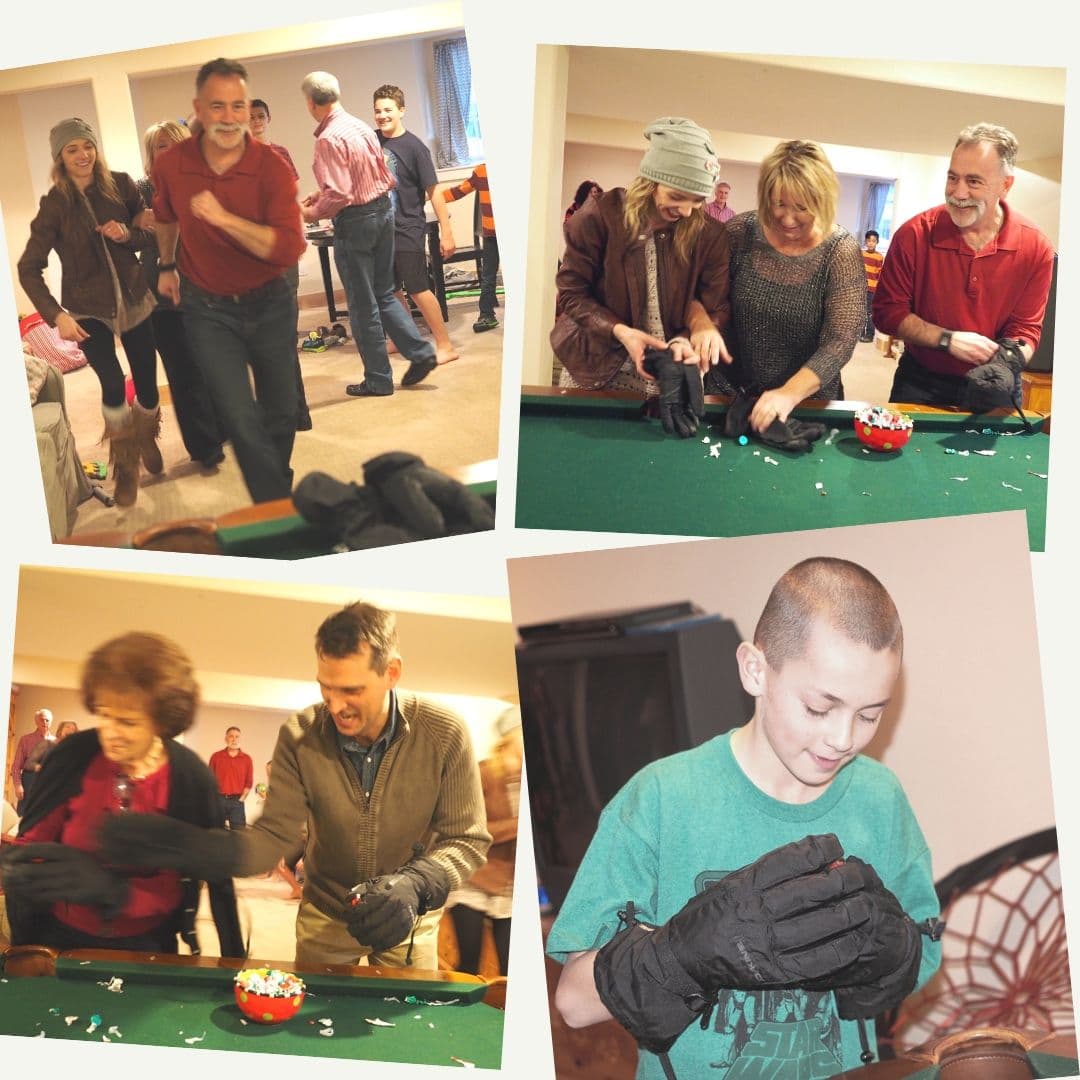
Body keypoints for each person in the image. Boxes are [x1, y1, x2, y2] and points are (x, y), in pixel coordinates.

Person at [548, 557, 942, 1079]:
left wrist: (892, 949)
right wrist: (685, 952)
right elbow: (573, 1004)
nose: (844, 738)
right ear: (755, 670)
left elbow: (926, 956)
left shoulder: (881, 797)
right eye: (820, 708)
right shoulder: (661, 798)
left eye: (870, 714)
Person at [100, 600, 491, 970]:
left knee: (411, 1030)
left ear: (391, 672)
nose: (335, 706)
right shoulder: (300, 735)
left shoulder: (445, 732)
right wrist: (192, 846)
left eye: (352, 690)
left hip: (408, 921)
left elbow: (468, 838)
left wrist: (419, 882)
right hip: (325, 918)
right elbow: (274, 835)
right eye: (326, 687)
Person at [0, 634, 242, 956]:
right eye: (104, 714)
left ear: (162, 722)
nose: (111, 733)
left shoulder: (190, 777)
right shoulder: (73, 755)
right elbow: (32, 849)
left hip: (149, 942)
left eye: (128, 722)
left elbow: (217, 879)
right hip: (59, 937)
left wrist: (234, 964)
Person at [151, 57, 307, 504]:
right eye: (217, 107)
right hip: (207, 307)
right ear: (198, 109)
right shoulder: (172, 165)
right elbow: (164, 216)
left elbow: (287, 247)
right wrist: (166, 265)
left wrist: (225, 219)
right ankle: (276, 507)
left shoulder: (271, 166)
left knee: (279, 413)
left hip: (270, 301)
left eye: (238, 106)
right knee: (239, 415)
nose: (230, 117)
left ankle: (274, 496)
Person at [18, 118, 163, 507]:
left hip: (134, 299)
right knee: (113, 383)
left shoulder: (121, 184)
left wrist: (128, 235)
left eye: (87, 146)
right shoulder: (55, 204)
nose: (83, 155)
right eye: (72, 149)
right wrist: (56, 316)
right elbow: (28, 268)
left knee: (147, 387)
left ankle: (146, 432)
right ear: (60, 158)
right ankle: (126, 467)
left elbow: (151, 232)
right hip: (86, 311)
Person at [552, 117, 731, 426]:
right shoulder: (599, 216)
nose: (687, 211)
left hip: (669, 371)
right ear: (650, 181)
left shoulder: (711, 234)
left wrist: (689, 338)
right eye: (676, 196)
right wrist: (623, 333)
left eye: (698, 200)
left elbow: (714, 304)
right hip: (598, 365)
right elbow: (571, 294)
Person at [873, 123, 1055, 408]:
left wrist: (1007, 364)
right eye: (952, 178)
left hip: (996, 384)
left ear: (1005, 186)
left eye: (973, 181)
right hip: (921, 382)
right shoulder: (913, 235)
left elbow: (1025, 329)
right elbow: (886, 313)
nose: (958, 193)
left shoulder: (1036, 247)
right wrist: (947, 340)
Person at [705, 140, 864, 435]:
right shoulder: (739, 233)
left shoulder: (840, 251)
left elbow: (840, 341)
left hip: (806, 402)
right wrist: (701, 326)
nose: (787, 219)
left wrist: (788, 393)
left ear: (822, 201)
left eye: (802, 208)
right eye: (778, 204)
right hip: (731, 394)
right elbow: (705, 297)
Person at [299, 71, 438, 397]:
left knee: (363, 305)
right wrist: (324, 196)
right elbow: (372, 176)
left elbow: (342, 193)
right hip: (383, 214)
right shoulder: (360, 126)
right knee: (384, 292)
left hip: (356, 222)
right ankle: (421, 353)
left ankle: (378, 379)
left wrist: (311, 211)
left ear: (310, 102)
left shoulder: (328, 138)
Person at [137, 120, 225, 468]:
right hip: (163, 293)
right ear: (151, 154)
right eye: (161, 146)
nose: (170, 151)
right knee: (184, 370)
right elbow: (137, 234)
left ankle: (221, 429)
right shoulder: (143, 190)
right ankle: (205, 447)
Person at [373, 84, 458, 365]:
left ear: (401, 110)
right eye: (377, 110)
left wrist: (447, 233)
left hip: (408, 227)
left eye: (388, 110)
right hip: (380, 230)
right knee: (391, 288)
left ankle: (445, 345)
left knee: (418, 287)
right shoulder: (372, 141)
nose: (382, 115)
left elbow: (434, 191)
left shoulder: (415, 148)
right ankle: (403, 337)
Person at [248, 98, 312, 431]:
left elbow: (293, 198)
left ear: (268, 118)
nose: (256, 121)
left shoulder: (281, 153)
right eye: (250, 117)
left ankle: (297, 412)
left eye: (261, 115)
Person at [447, 712, 522, 975]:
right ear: (512, 736)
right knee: (469, 963)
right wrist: (517, 826)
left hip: (511, 888)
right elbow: (470, 828)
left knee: (510, 971)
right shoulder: (484, 772)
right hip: (475, 880)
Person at [443, 162, 501, 333]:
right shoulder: (482, 170)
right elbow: (460, 191)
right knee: (488, 275)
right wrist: (433, 195)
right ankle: (486, 315)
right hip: (492, 235)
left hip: (519, 232)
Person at [208, 726, 253, 829]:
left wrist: (241, 799)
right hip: (218, 800)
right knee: (215, 832)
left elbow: (249, 782)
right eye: (231, 736)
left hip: (237, 801)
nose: (234, 739)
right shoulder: (216, 756)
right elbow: (209, 779)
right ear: (226, 739)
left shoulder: (247, 759)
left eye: (237, 737)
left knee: (239, 835)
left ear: (240, 739)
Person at [10, 709, 53, 814]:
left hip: (48, 782)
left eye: (47, 720)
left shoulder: (55, 741)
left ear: (51, 722)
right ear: (36, 722)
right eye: (42, 720)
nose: (45, 723)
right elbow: (16, 766)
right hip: (28, 782)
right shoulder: (26, 740)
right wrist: (18, 785)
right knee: (24, 817)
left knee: (45, 816)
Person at [22, 721, 78, 785]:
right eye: (67, 727)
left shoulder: (69, 751)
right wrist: (42, 768)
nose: (70, 730)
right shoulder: (46, 744)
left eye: (73, 729)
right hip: (37, 783)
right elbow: (28, 764)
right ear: (60, 730)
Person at [860, 229, 884, 342]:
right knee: (860, 311)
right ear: (865, 241)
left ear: (877, 242)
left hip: (872, 289)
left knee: (870, 312)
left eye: (873, 241)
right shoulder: (861, 254)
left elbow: (880, 274)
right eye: (869, 241)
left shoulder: (879, 257)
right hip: (861, 288)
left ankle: (869, 334)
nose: (871, 243)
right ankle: (859, 333)